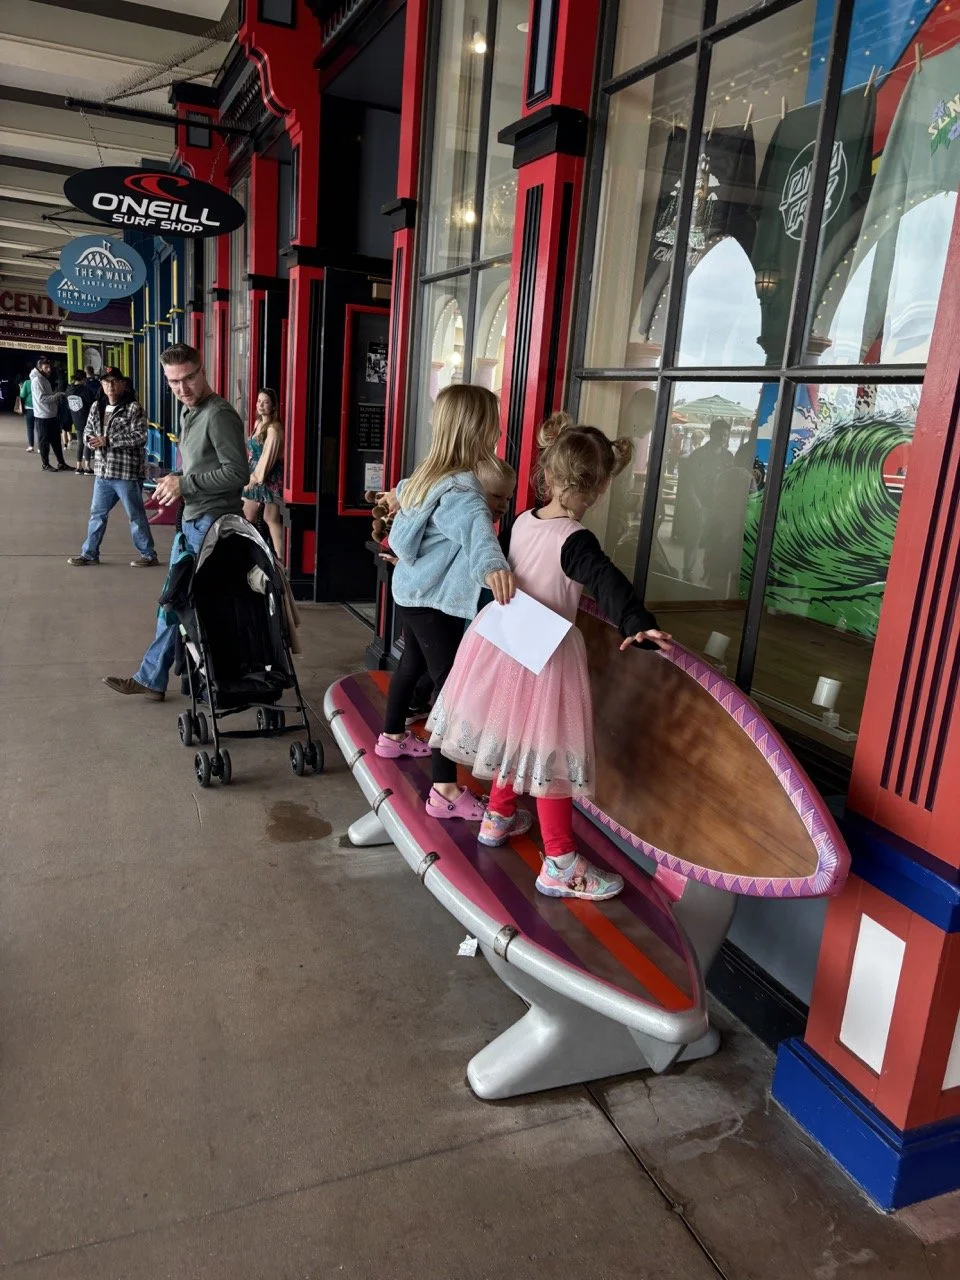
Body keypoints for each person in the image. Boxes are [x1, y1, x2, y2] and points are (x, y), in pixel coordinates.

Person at [427, 419, 671, 902]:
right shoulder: (575, 539)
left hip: (502, 646)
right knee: (550, 755)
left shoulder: (521, 519)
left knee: (515, 734)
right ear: (600, 488)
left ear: (548, 474)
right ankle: (559, 861)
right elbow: (606, 580)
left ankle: (497, 816)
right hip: (545, 658)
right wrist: (636, 622)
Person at [375, 384, 516, 821]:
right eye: (493, 423)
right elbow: (478, 535)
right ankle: (444, 789)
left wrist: (393, 495)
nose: (497, 431)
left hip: (412, 591)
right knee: (449, 688)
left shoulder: (428, 477)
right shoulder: (463, 494)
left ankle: (392, 736)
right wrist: (497, 569)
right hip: (434, 601)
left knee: (411, 665)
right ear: (479, 430)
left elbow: (404, 491)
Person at [103, 343, 248, 701]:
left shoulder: (219, 414)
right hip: (194, 521)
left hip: (213, 525)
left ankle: (174, 678)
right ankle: (155, 677)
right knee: (172, 601)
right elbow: (199, 466)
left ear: (202, 371)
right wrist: (176, 479)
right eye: (173, 383)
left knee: (181, 603)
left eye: (188, 379)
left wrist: (185, 483)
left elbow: (237, 473)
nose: (181, 389)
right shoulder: (189, 414)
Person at [67, 368, 158, 568]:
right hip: (103, 472)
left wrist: (109, 440)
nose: (110, 386)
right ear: (102, 385)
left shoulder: (133, 408)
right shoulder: (96, 407)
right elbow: (88, 431)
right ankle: (89, 553)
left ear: (123, 384)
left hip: (125, 473)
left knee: (135, 515)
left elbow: (140, 437)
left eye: (115, 381)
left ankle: (148, 554)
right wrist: (91, 442)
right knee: (97, 514)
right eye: (106, 382)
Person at [241, 387, 285, 557]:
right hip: (253, 474)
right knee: (246, 516)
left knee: (271, 518)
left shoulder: (273, 429)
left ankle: (281, 558)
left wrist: (257, 477)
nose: (261, 405)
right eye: (259, 401)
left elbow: (268, 457)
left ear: (273, 406)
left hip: (269, 477)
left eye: (266, 402)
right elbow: (252, 454)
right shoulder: (258, 423)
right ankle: (250, 553)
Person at [29, 356, 68, 471]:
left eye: (49, 367)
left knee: (56, 441)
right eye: (46, 368)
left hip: (51, 415)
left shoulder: (43, 378)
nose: (49, 369)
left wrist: (54, 395)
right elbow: (42, 399)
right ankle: (45, 464)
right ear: (39, 368)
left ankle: (61, 463)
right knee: (44, 442)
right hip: (43, 416)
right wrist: (56, 396)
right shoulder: (37, 380)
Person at [67, 371, 96, 475]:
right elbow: (93, 405)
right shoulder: (86, 391)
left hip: (76, 418)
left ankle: (79, 466)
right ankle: (87, 467)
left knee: (80, 442)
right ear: (84, 379)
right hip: (87, 419)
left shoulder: (69, 390)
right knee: (87, 442)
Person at [19, 370, 34, 452]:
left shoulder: (27, 383)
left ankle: (31, 446)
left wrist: (21, 388)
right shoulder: (42, 382)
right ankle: (40, 447)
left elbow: (22, 395)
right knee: (40, 429)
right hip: (40, 409)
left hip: (29, 409)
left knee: (30, 428)